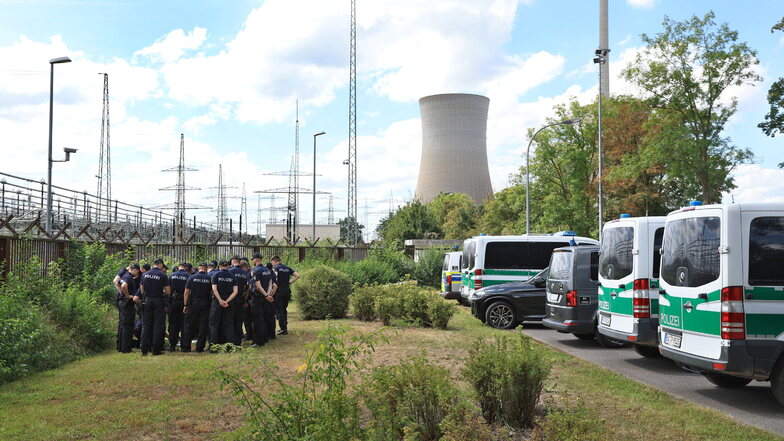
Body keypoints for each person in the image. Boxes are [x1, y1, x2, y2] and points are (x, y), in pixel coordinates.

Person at [135, 258, 170, 356]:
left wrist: (145, 296)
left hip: (147, 300)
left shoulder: (145, 274)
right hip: (158, 300)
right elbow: (168, 291)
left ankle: (144, 350)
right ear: (160, 265)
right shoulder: (163, 275)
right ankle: (156, 350)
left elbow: (142, 289)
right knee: (158, 326)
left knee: (146, 326)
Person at [181, 262, 212, 352]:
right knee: (203, 325)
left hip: (193, 302)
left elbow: (186, 292)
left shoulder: (192, 277)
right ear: (206, 268)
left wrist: (185, 304)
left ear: (198, 268)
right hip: (205, 302)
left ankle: (186, 347)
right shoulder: (209, 278)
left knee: (189, 324)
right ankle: (200, 347)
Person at [210, 260, 238, 347]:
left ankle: (214, 346)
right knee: (228, 324)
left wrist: (220, 300)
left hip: (217, 302)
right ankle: (229, 346)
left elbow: (214, 289)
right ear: (227, 266)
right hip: (229, 302)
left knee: (214, 324)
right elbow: (235, 291)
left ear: (219, 266)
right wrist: (227, 301)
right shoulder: (232, 276)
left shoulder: (216, 275)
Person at [271, 255, 300, 335]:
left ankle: (283, 329)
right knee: (284, 309)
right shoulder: (287, 268)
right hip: (287, 291)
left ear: (275, 261)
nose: (272, 264)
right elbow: (297, 276)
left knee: (279, 310)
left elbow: (275, 276)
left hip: (279, 291)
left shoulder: (276, 268)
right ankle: (285, 327)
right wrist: (290, 282)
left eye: (272, 262)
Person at [249, 253, 273, 347]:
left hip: (258, 297)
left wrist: (266, 295)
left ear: (256, 260)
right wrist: (268, 294)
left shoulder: (256, 271)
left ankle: (258, 342)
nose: (252, 261)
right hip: (265, 298)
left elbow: (258, 286)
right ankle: (264, 338)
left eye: (253, 259)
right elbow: (270, 283)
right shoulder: (267, 269)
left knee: (257, 320)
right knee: (264, 318)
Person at [118, 264, 140, 353]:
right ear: (134, 270)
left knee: (123, 324)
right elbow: (124, 286)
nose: (137, 273)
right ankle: (126, 348)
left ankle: (121, 346)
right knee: (128, 325)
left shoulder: (124, 275)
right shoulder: (129, 277)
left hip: (122, 302)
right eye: (137, 271)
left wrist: (121, 294)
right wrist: (127, 295)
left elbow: (117, 283)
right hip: (127, 303)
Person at [168, 262, 190, 352]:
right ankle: (184, 346)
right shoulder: (189, 276)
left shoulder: (172, 275)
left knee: (173, 323)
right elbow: (189, 291)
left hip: (173, 301)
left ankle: (172, 345)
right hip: (184, 301)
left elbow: (168, 290)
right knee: (184, 324)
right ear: (186, 268)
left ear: (178, 267)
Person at [228, 256, 248, 346]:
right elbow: (246, 288)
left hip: (231, 298)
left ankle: (231, 341)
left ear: (233, 261)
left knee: (230, 319)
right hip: (241, 297)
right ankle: (238, 342)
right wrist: (245, 299)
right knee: (239, 320)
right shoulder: (244, 273)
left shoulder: (230, 271)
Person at [264, 262, 279, 340]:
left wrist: (269, 296)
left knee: (269, 316)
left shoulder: (270, 275)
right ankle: (272, 333)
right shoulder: (273, 273)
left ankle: (271, 334)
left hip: (271, 298)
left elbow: (275, 287)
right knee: (271, 316)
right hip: (273, 298)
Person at [240, 259, 253, 340]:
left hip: (248, 298)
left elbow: (248, 287)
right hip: (251, 298)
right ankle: (250, 334)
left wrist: (245, 299)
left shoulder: (247, 273)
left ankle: (249, 335)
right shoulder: (251, 271)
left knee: (247, 319)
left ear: (244, 267)